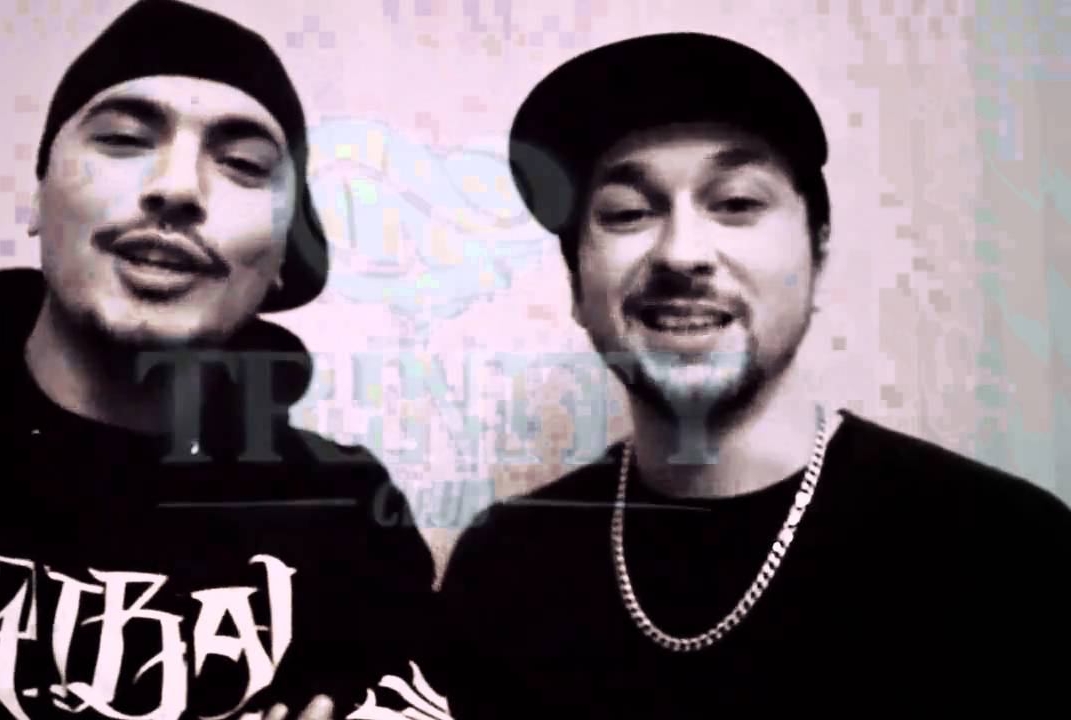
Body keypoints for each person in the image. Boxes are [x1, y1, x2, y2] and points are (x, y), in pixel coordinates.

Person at [353, 32, 1071, 719]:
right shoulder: (505, 567)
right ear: (575, 285)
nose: (681, 253)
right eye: (628, 212)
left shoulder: (1006, 551)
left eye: (736, 204)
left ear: (818, 252)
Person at [0, 1, 436, 718]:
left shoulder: (349, 520)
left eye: (243, 164)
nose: (177, 189)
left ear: (286, 253)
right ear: (38, 194)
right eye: (125, 140)